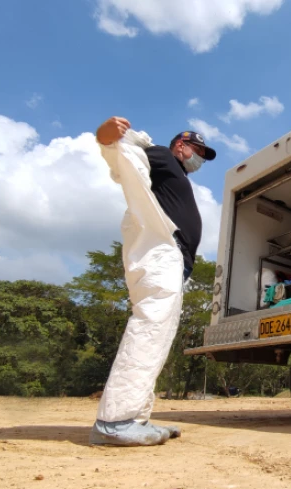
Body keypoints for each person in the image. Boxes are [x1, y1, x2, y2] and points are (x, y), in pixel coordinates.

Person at [89, 117, 216, 446]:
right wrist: (106, 138)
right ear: (180, 146)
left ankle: (135, 417)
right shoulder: (161, 155)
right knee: (151, 323)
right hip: (161, 252)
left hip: (173, 260)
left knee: (159, 333)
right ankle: (115, 422)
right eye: (197, 149)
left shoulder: (178, 174)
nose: (200, 156)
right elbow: (123, 155)